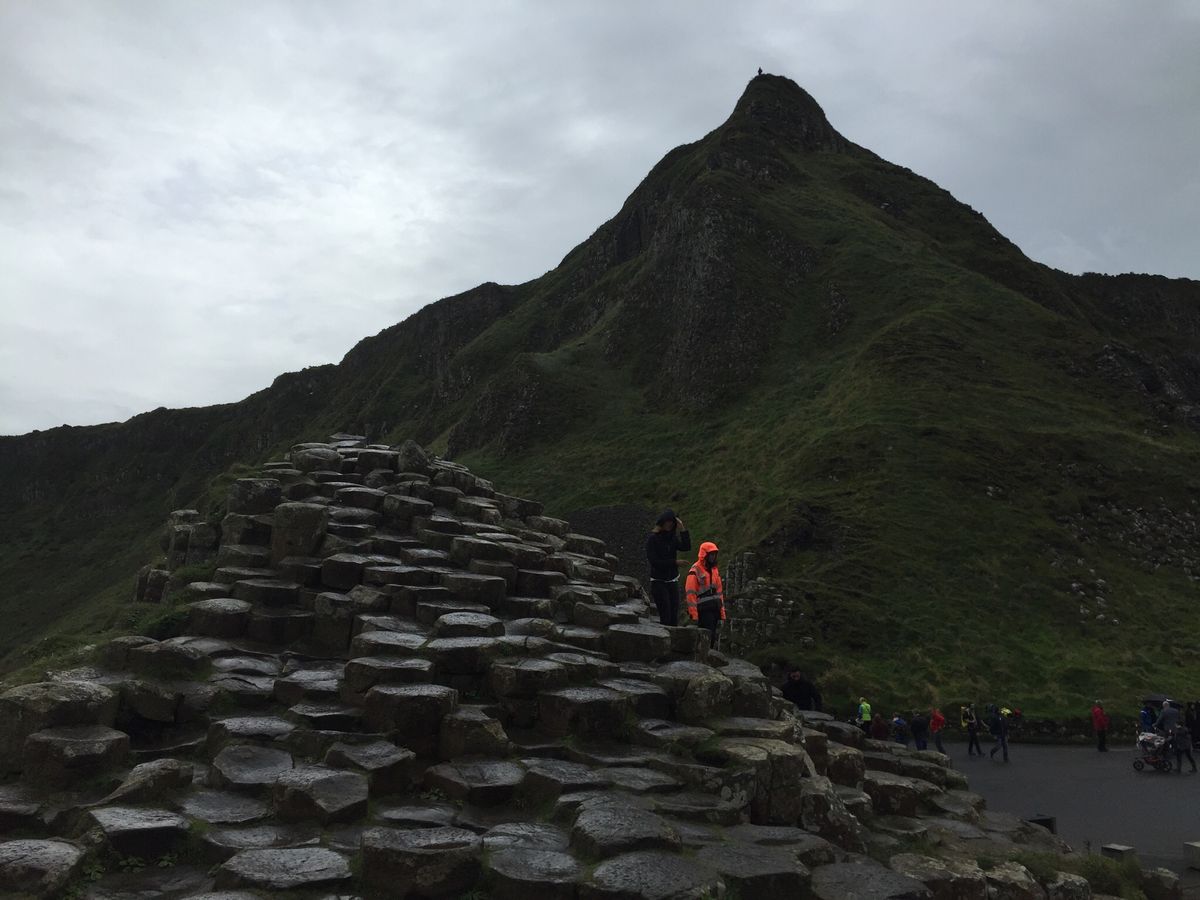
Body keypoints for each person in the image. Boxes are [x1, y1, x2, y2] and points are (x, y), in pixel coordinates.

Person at [646, 510, 690, 627]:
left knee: (674, 618)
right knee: (665, 616)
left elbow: (686, 547)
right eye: (667, 521)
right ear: (662, 522)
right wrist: (675, 562)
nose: (670, 524)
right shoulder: (653, 539)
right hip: (658, 581)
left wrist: (682, 528)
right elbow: (654, 562)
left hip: (672, 580)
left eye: (672, 522)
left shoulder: (672, 538)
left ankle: (672, 638)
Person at [685, 541, 725, 648]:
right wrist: (694, 614)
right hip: (703, 610)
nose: (713, 557)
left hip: (715, 608)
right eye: (711, 554)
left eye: (714, 554)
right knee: (705, 637)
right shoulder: (695, 569)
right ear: (704, 554)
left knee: (712, 637)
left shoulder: (715, 570)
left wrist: (722, 613)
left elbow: (720, 593)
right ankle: (704, 655)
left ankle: (708, 655)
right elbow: (690, 593)